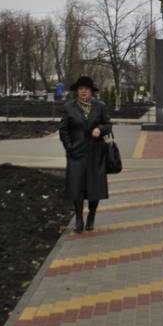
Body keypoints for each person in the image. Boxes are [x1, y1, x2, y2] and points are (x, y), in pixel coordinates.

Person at [58, 76, 112, 233]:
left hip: (96, 153)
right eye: (81, 89)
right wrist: (69, 147)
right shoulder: (69, 107)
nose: (83, 92)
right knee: (77, 187)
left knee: (95, 188)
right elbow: (63, 130)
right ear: (77, 91)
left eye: (86, 89)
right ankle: (79, 219)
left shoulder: (100, 106)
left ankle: (91, 217)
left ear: (91, 91)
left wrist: (100, 130)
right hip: (76, 154)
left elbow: (108, 124)